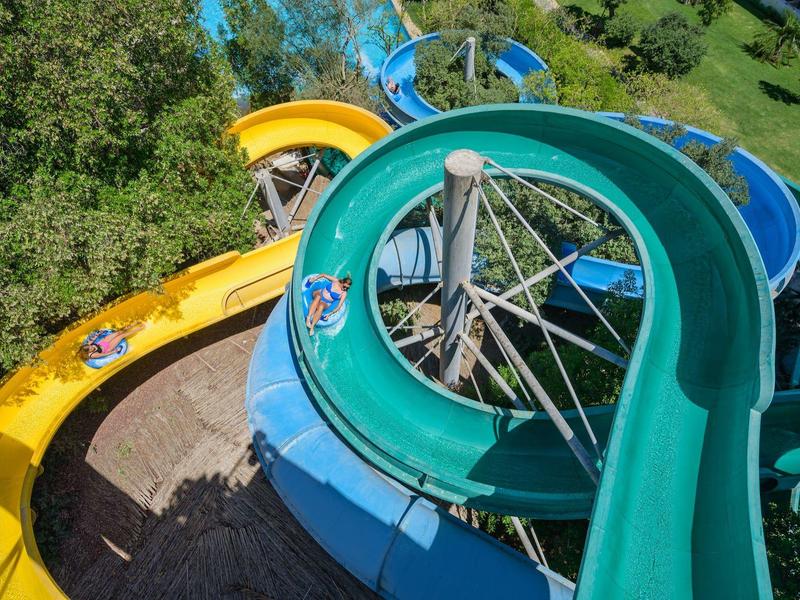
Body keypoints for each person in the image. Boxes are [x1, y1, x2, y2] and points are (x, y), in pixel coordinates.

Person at [79, 322, 146, 361]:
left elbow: (93, 339)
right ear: (88, 352)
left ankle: (133, 324)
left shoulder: (87, 345)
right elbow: (104, 354)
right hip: (107, 348)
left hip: (102, 343)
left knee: (119, 332)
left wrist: (98, 334)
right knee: (122, 336)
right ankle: (139, 328)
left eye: (90, 346)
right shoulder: (93, 355)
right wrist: (114, 351)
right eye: (90, 348)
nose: (91, 346)